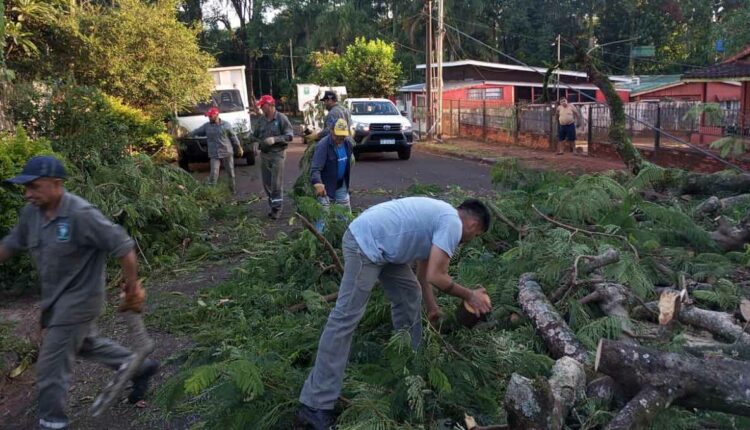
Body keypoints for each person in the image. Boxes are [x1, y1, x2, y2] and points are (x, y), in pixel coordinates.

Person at [294, 197, 493, 429]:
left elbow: (424, 273)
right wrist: (470, 295)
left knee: (409, 294)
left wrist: (432, 308)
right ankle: (315, 405)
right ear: (473, 226)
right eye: (476, 236)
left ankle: (412, 375)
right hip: (365, 245)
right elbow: (437, 277)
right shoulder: (452, 224)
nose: (470, 239)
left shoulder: (440, 218)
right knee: (345, 319)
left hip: (383, 249)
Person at [0, 156, 159, 430]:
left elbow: (123, 247)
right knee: (84, 343)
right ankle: (140, 367)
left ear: (56, 184)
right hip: (54, 299)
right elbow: (11, 244)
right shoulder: (31, 214)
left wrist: (132, 289)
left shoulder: (80, 214)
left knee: (50, 365)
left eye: (34, 187)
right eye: (26, 188)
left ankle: (52, 422)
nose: (28, 194)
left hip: (82, 299)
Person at [253, 95, 294, 220]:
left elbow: (289, 136)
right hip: (264, 155)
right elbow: (255, 135)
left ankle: (277, 208)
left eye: (262, 105)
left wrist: (275, 139)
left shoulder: (281, 118)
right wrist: (254, 144)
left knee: (276, 183)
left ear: (270, 105)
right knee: (267, 183)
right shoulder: (261, 120)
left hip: (278, 154)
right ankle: (273, 205)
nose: (261, 107)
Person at [311, 118, 354, 231]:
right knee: (323, 216)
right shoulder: (323, 145)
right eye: (337, 136)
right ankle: (320, 241)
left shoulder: (348, 144)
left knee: (345, 216)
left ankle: (344, 238)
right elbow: (315, 168)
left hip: (341, 185)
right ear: (331, 131)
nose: (340, 139)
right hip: (326, 187)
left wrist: (347, 185)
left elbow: (346, 166)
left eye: (342, 136)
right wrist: (318, 183)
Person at [187, 107, 243, 193]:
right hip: (214, 154)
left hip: (226, 152)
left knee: (231, 173)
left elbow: (233, 136)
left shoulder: (226, 125)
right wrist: (187, 134)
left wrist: (238, 147)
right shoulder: (207, 126)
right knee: (213, 174)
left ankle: (232, 190)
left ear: (217, 115)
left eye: (210, 116)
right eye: (208, 116)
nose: (209, 118)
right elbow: (197, 131)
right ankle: (212, 192)